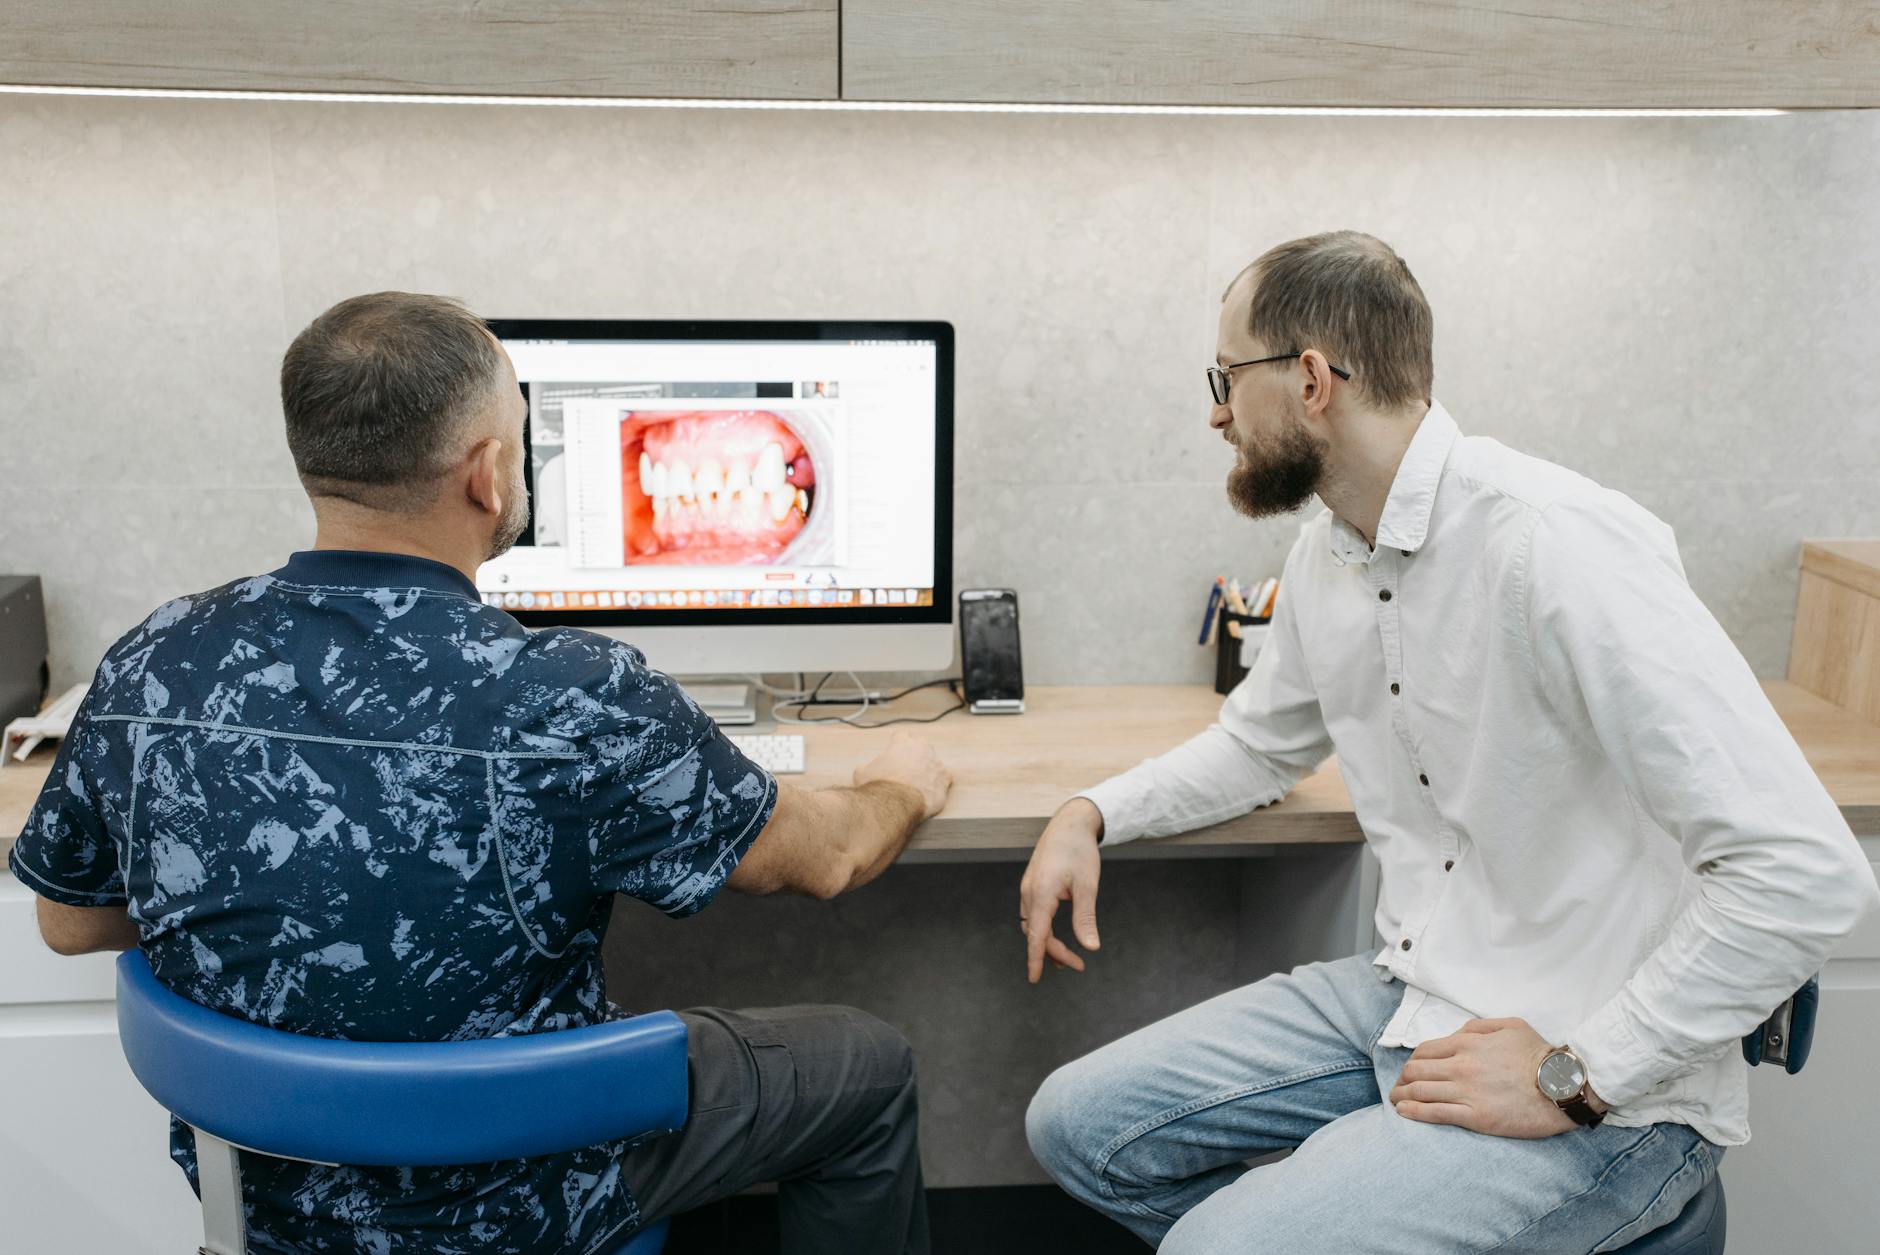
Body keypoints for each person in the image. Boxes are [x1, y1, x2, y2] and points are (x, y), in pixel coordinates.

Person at [10, 291, 949, 1255]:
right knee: (865, 1069)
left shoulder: (157, 659)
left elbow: (70, 917)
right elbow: (826, 858)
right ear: (489, 476)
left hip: (266, 1197)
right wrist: (903, 782)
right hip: (529, 1195)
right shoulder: (575, 697)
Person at [1018, 231, 1879, 1252]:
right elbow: (1258, 748)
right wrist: (1091, 811)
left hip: (1597, 1080)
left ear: (1306, 380)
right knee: (1078, 1126)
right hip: (1419, 999)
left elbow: (1802, 873)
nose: (1213, 409)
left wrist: (1574, 1074)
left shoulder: (1553, 541)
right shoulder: (1326, 551)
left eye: (1224, 375)